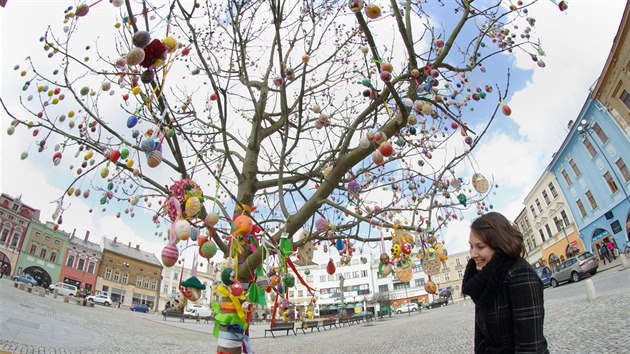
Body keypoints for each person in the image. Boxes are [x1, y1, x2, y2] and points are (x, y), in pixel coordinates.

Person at [462, 212, 548, 353]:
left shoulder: (520, 274)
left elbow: (530, 348)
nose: (473, 254)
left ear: (499, 245)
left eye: (480, 247)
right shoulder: (482, 278)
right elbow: (480, 339)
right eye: (471, 246)